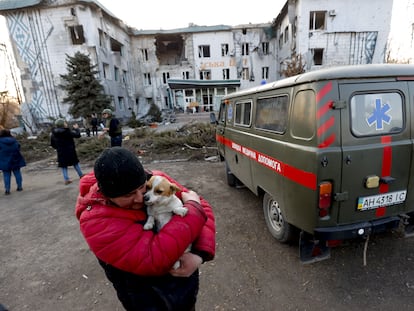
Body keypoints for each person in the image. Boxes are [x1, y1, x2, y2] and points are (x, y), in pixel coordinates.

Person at [75, 147, 215, 310]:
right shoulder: (95, 221)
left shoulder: (155, 179)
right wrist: (193, 210)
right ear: (108, 196)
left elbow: (202, 206)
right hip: (148, 302)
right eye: (128, 195)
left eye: (143, 187)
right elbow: (154, 258)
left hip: (184, 293)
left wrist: (199, 254)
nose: (142, 198)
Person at [50, 118, 84, 185]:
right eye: (65, 123)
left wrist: (58, 148)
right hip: (70, 150)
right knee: (75, 163)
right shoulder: (66, 132)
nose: (66, 124)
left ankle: (66, 179)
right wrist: (76, 129)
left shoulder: (53, 133)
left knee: (64, 165)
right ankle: (81, 175)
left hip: (61, 152)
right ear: (62, 124)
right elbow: (77, 135)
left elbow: (52, 144)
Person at [0, 129, 26, 195]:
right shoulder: (14, 140)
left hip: (4, 160)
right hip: (15, 159)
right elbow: (18, 147)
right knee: (17, 173)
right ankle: (19, 187)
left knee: (6, 175)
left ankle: (7, 190)